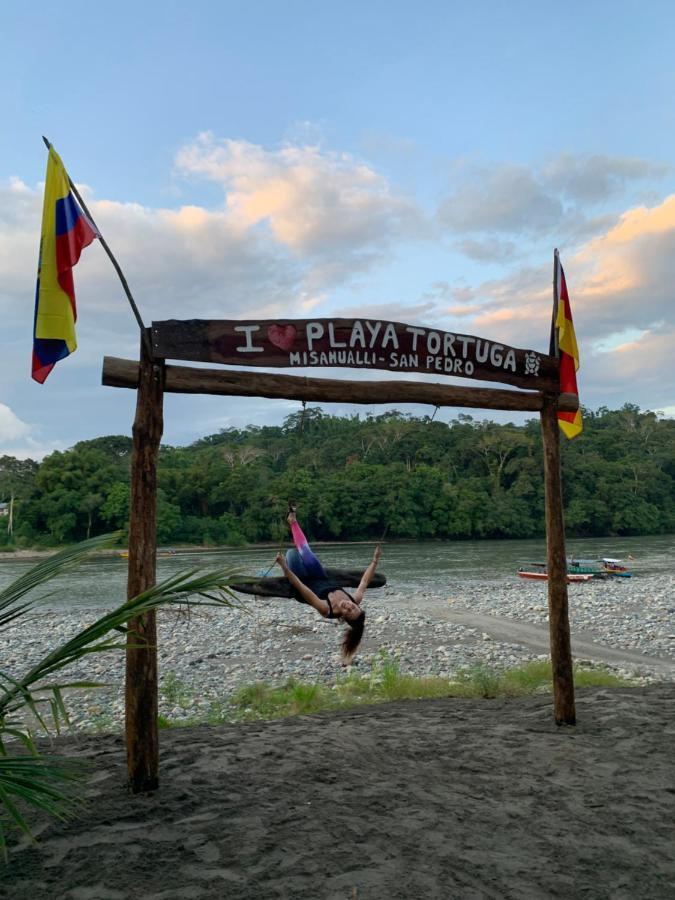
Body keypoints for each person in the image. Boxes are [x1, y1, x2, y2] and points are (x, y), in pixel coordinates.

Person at [275, 506, 382, 663]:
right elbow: (365, 581)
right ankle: (293, 522)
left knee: (292, 554)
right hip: (320, 575)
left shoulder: (326, 609)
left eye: (348, 611)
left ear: (343, 616)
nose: (349, 606)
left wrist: (284, 567)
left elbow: (300, 586)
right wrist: (375, 560)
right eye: (354, 607)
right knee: (307, 556)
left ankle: (293, 537)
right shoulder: (355, 599)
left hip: (304, 580)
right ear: (358, 606)